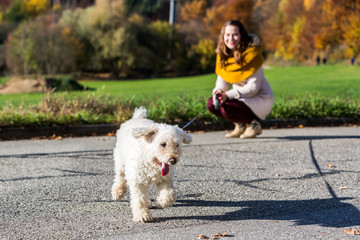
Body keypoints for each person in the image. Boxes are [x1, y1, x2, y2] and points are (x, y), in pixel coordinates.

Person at [207, 20, 274, 138]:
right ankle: (240, 125)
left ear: (242, 36)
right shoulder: (223, 56)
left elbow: (253, 88)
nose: (231, 38)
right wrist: (218, 92)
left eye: (235, 34)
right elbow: (221, 83)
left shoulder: (252, 56)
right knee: (212, 104)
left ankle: (253, 125)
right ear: (223, 37)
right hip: (241, 98)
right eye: (227, 35)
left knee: (226, 105)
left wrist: (227, 95)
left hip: (259, 98)